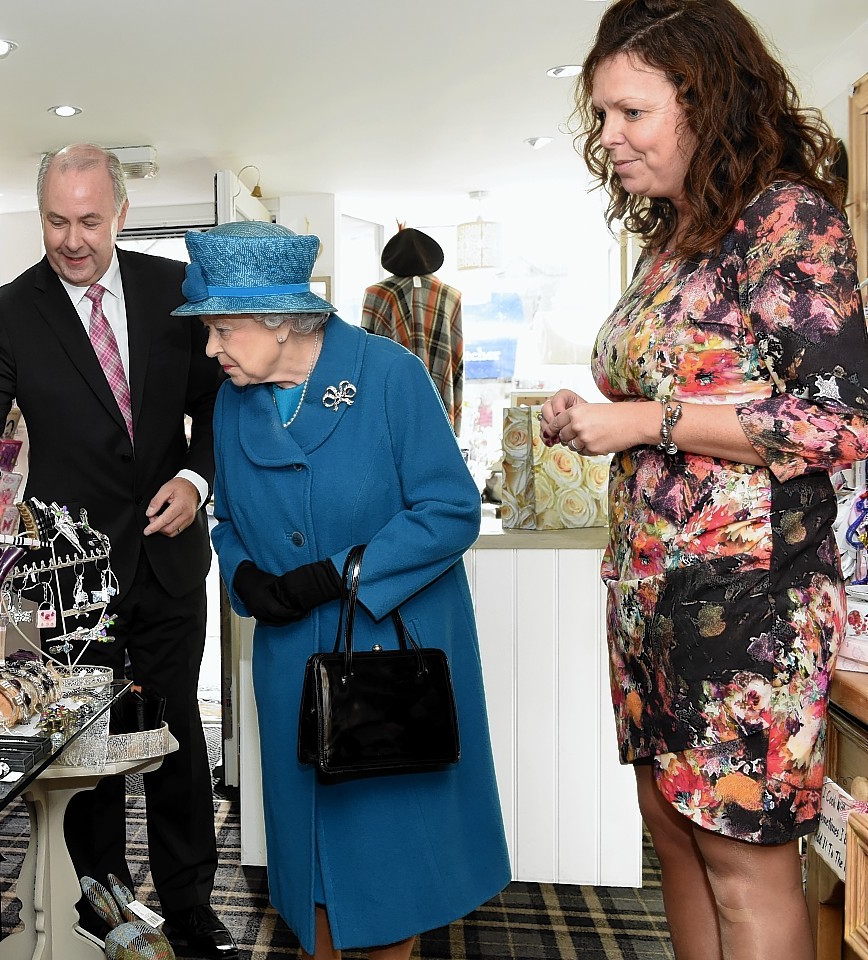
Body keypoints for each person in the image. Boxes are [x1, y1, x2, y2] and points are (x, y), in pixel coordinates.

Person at [540, 2, 866, 958]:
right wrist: (596, 414)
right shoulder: (678, 232)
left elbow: (841, 418)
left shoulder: (785, 217)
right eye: (601, 116)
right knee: (676, 842)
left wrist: (647, 418)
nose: (609, 139)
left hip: (749, 604)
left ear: (707, 101)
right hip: (652, 597)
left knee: (742, 864)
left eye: (631, 113)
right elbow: (677, 380)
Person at [0, 143, 232, 957]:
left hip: (169, 558)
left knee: (175, 739)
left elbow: (218, 413)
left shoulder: (176, 293)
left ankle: (192, 907)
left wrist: (198, 483)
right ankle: (103, 906)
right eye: (57, 221)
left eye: (90, 221)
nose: (72, 239)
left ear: (121, 214)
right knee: (85, 745)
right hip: (74, 569)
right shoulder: (11, 310)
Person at [184, 220, 509, 960]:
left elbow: (450, 510)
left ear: (279, 320)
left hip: (387, 660)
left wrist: (339, 574)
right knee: (313, 880)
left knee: (387, 880)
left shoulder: (388, 375)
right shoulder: (234, 400)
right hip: (292, 662)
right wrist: (244, 577)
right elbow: (227, 519)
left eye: (222, 328)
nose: (211, 348)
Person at [360, 226, 463, 433]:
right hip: (436, 394)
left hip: (389, 393)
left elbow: (366, 355)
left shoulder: (376, 293)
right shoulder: (450, 295)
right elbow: (455, 359)